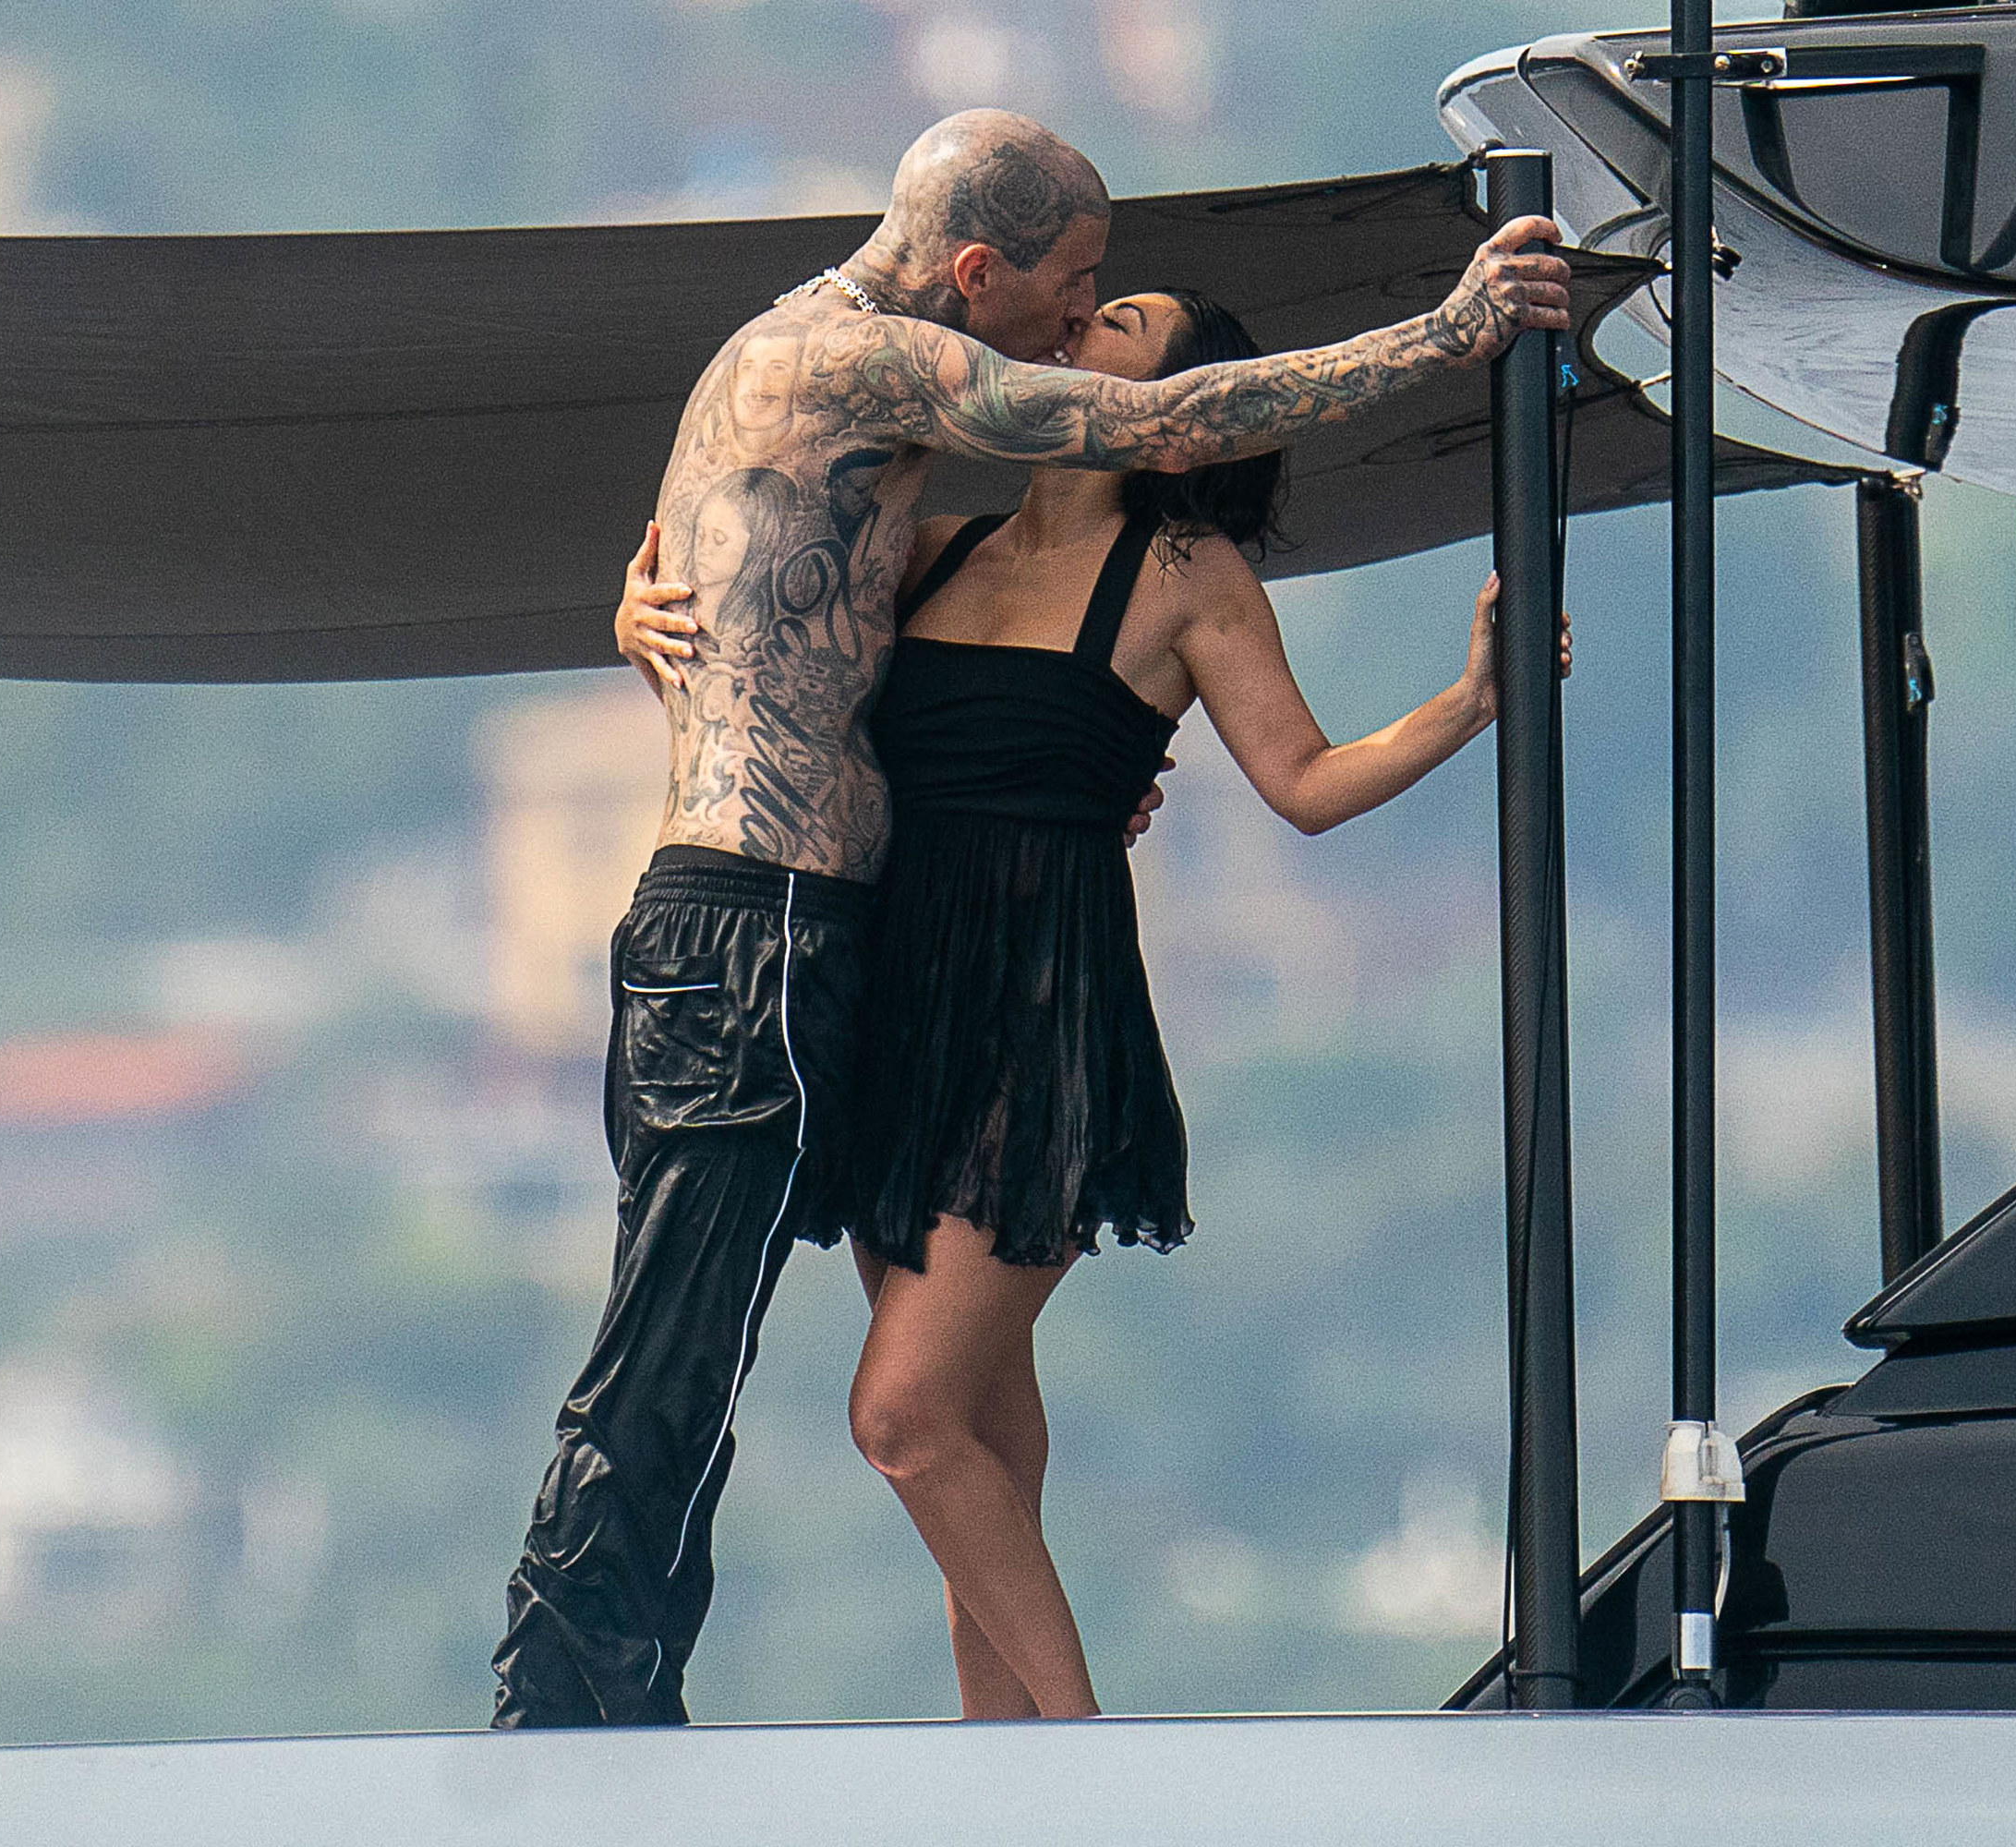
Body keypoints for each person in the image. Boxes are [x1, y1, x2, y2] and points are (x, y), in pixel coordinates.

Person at [492, 106, 1569, 1730]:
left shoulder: (1175, 564)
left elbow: (1297, 772)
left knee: (907, 1418)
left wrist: (1463, 704)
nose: (1081, 330)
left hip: (1003, 997)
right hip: (848, 967)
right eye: (1081, 301)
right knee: (924, 1426)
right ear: (983, 270)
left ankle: (1072, 1754)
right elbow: (767, 574)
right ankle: (979, 1768)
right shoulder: (930, 487)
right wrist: (637, 605)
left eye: (1111, 319)